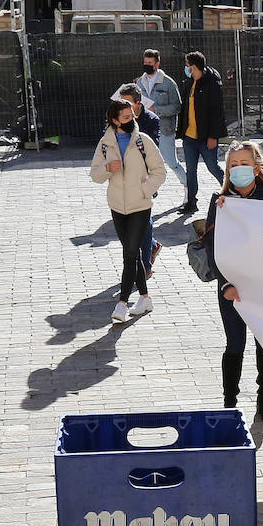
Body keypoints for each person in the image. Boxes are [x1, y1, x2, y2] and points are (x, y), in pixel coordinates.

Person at [207, 141, 263, 421]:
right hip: (232, 286)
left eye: (244, 164)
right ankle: (230, 402)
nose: (239, 170)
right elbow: (213, 247)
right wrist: (225, 284)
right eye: (233, 165)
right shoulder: (220, 200)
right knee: (235, 344)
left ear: (256, 167)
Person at [91, 98, 167, 324]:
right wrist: (107, 168)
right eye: (125, 117)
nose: (132, 120)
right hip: (117, 207)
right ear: (114, 120)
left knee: (130, 255)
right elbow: (95, 174)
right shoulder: (105, 143)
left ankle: (122, 303)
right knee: (132, 254)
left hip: (140, 206)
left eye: (132, 115)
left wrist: (145, 190)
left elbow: (160, 171)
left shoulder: (143, 141)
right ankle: (145, 298)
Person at [115, 84, 164, 275]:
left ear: (138, 103)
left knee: (144, 220)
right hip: (123, 181)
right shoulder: (116, 120)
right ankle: (151, 246)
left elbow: (153, 152)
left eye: (127, 103)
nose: (123, 107)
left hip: (145, 179)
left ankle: (145, 266)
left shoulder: (151, 120)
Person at [177, 51, 227, 214]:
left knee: (213, 167)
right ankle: (191, 202)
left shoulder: (212, 83)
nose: (186, 67)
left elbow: (217, 112)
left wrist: (213, 136)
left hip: (206, 137)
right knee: (190, 170)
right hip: (189, 137)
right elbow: (185, 108)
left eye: (187, 65)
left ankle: (231, 191)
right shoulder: (189, 82)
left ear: (194, 66)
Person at [137, 49, 186, 188]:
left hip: (165, 130)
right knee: (143, 163)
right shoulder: (140, 82)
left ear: (157, 64)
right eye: (145, 62)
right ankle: (149, 190)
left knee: (172, 163)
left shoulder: (168, 83)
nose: (147, 65)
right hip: (145, 130)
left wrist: (156, 110)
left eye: (150, 63)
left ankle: (188, 188)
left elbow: (177, 106)